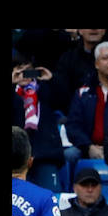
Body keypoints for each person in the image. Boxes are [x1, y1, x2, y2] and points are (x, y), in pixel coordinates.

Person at [62, 41, 108, 189]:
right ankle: (68, 196)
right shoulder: (83, 92)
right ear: (96, 63)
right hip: (88, 147)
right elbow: (73, 126)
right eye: (105, 58)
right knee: (69, 155)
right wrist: (89, 147)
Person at [12, 53, 68, 192]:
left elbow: (66, 101)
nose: (24, 74)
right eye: (20, 70)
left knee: (51, 199)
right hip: (15, 159)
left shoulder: (45, 90)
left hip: (45, 156)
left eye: (28, 70)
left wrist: (52, 79)